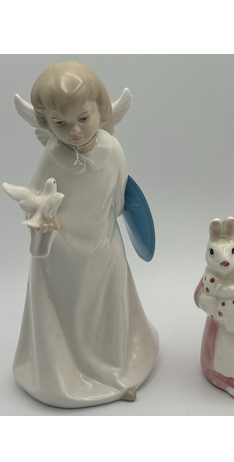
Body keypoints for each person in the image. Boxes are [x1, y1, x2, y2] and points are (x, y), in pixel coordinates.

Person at [7, 61, 159, 408]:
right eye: (60, 123)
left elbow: (119, 201)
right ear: (46, 122)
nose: (73, 131)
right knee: (68, 309)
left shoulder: (112, 150)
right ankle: (68, 373)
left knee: (110, 304)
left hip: (103, 244)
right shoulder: (51, 155)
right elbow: (37, 198)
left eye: (83, 118)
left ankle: (117, 371)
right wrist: (41, 210)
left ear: (100, 110)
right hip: (62, 249)